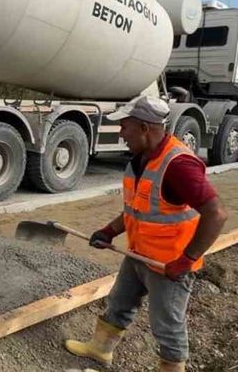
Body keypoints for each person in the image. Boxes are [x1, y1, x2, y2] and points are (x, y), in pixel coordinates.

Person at [64, 96, 228, 371]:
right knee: (119, 303)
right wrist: (110, 231)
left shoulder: (179, 165)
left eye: (125, 127)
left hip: (168, 265)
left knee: (167, 325)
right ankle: (100, 350)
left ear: (143, 128)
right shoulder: (141, 159)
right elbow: (138, 210)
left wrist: (186, 260)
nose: (120, 133)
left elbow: (216, 214)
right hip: (138, 254)